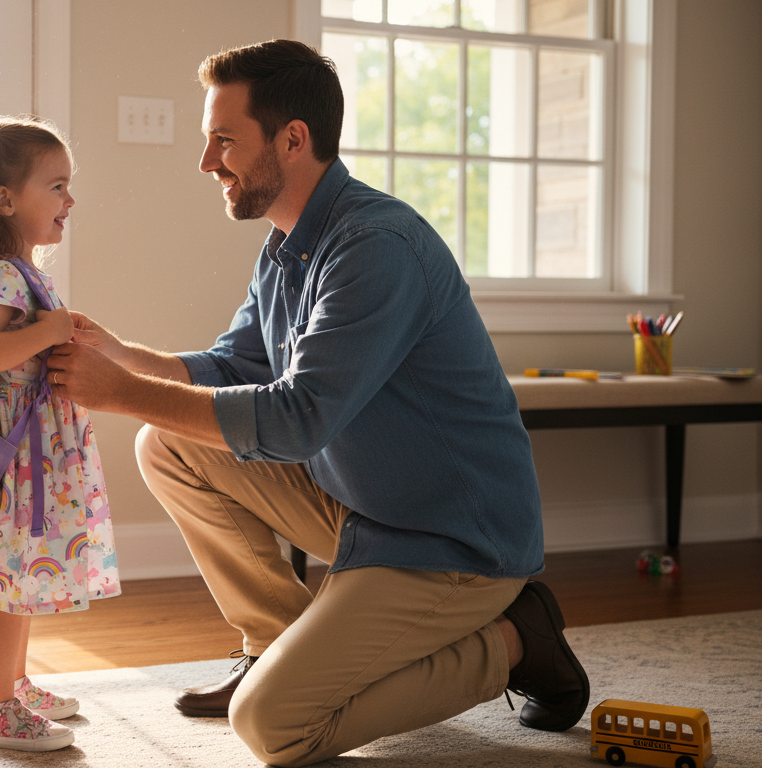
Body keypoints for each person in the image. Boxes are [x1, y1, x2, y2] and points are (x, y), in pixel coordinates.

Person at [46, 40, 589, 766]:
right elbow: (236, 364)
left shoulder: (375, 247)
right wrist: (124, 357)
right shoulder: (287, 246)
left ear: (293, 139)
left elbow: (298, 416)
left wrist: (123, 393)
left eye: (224, 140)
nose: (208, 162)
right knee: (166, 440)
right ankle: (273, 643)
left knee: (273, 727)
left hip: (456, 543)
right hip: (370, 509)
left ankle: (516, 642)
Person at [0, 116, 120, 752]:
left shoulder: (20, 271)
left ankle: (12, 684)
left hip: (35, 459)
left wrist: (59, 329)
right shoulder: (3, 275)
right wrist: (50, 328)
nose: (70, 201)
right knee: (8, 593)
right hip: (20, 467)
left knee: (23, 583)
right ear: (7, 199)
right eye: (58, 186)